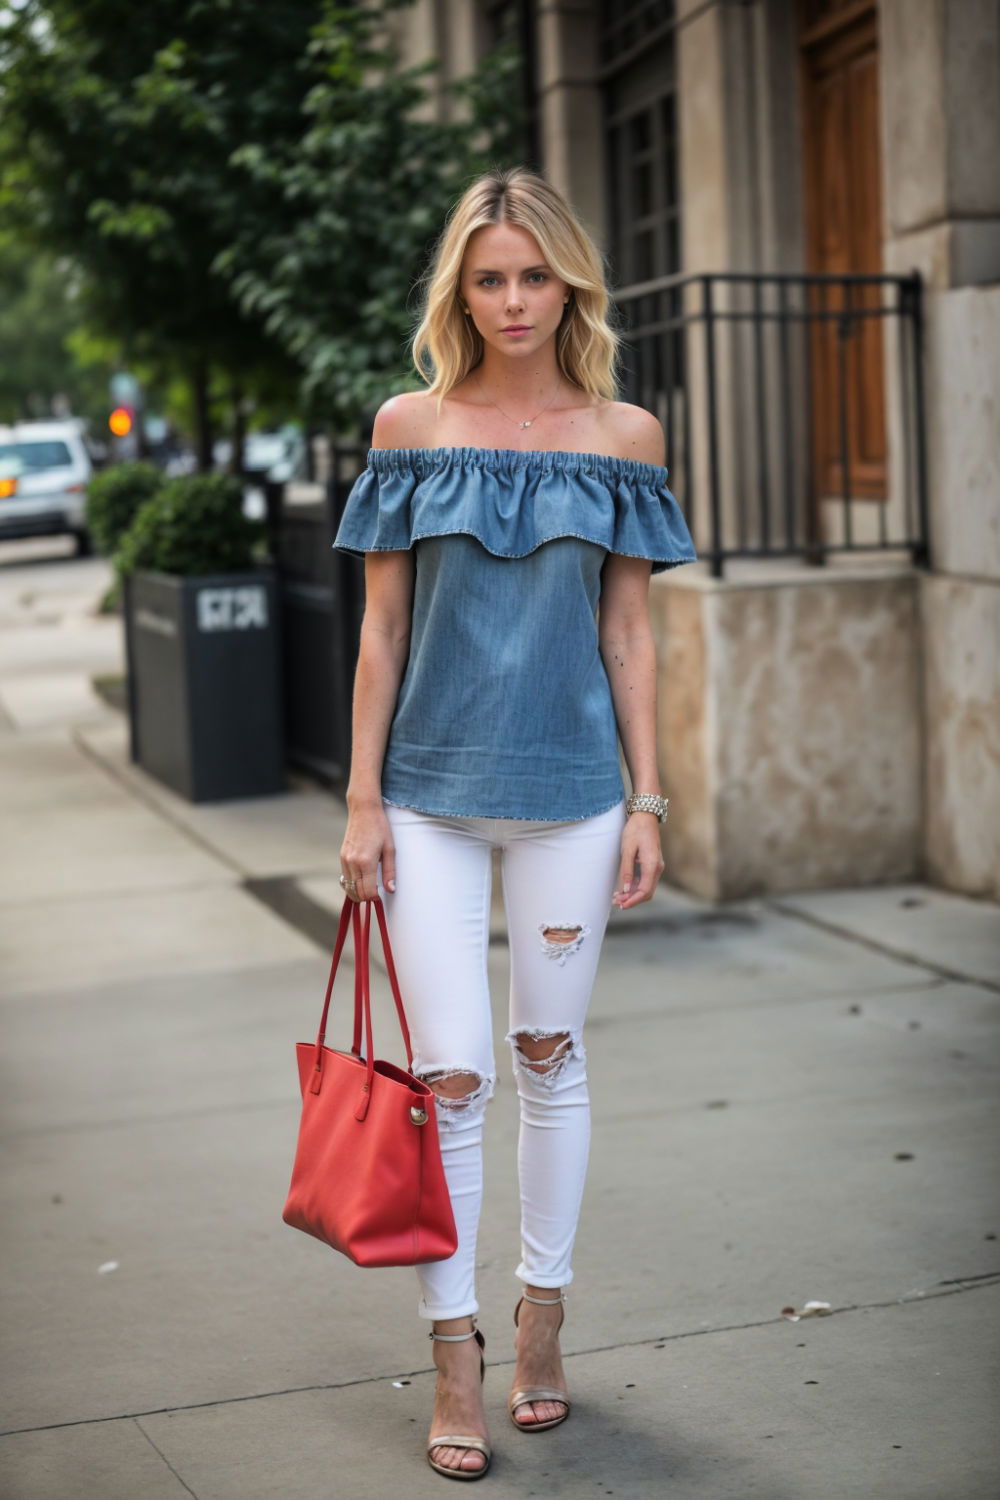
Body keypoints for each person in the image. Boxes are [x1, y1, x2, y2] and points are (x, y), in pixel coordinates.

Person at [332, 165, 696, 1481]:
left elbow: (629, 631)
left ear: (570, 283)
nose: (514, 300)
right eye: (489, 279)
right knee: (451, 1080)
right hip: (425, 800)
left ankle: (542, 1319)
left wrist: (647, 798)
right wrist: (362, 801)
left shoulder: (625, 436)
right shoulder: (410, 425)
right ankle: (454, 1351)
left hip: (574, 800)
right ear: (461, 292)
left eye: (535, 275)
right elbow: (380, 632)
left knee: (550, 1055)